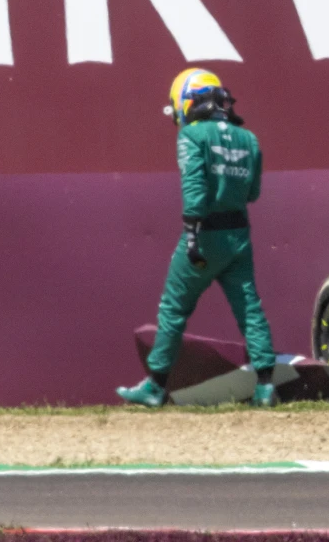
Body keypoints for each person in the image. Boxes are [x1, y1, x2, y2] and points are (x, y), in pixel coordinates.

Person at [117, 69, 278, 407]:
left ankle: (155, 385)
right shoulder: (249, 138)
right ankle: (266, 386)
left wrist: (192, 233)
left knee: (173, 307)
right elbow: (253, 193)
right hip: (239, 235)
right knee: (250, 308)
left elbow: (194, 187)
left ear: (187, 101)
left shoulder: (192, 135)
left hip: (204, 236)